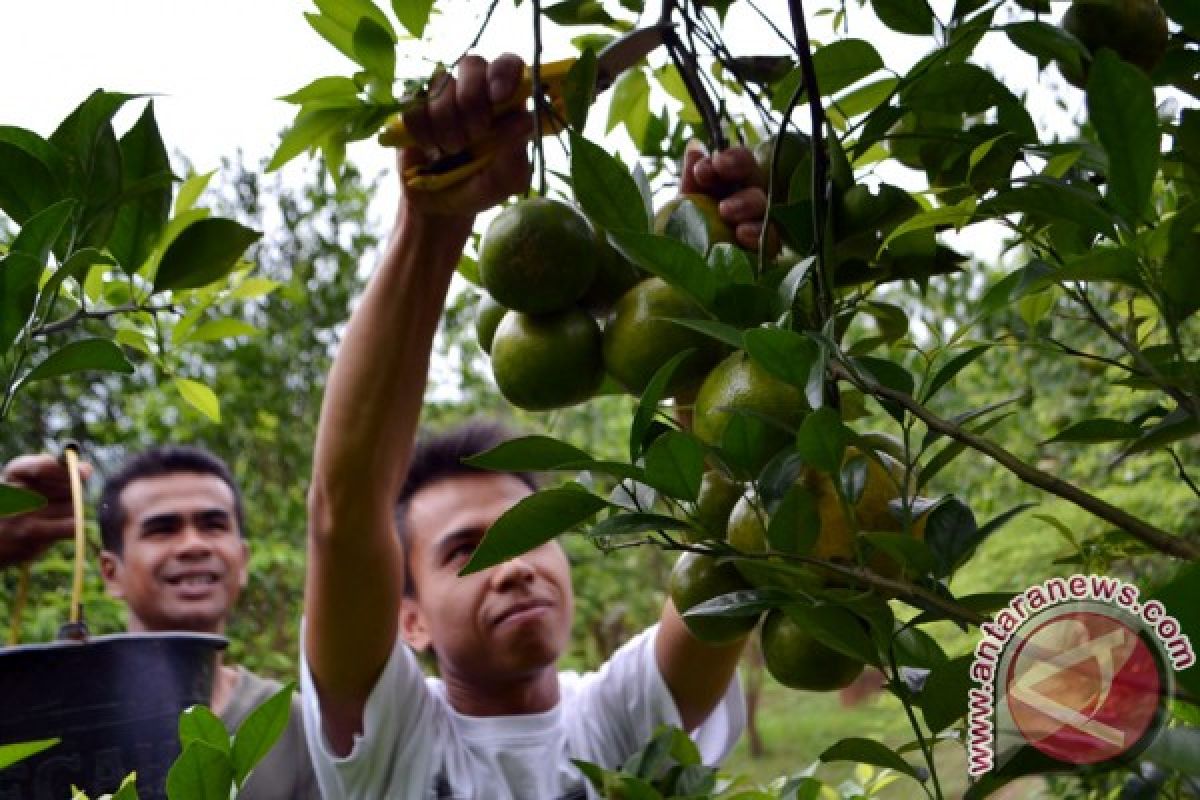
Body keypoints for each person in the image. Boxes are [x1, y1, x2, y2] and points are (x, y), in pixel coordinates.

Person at [301, 52, 773, 799]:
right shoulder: (387, 742)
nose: (515, 564)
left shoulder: (621, 716)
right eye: (467, 551)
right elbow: (345, 505)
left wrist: (719, 288)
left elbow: (737, 540)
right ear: (409, 621)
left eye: (529, 530)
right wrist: (433, 221)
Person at [0, 447, 319, 800]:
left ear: (242, 560)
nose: (193, 545)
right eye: (162, 529)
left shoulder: (294, 724)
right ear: (111, 572)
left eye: (213, 525)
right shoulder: (56, 714)